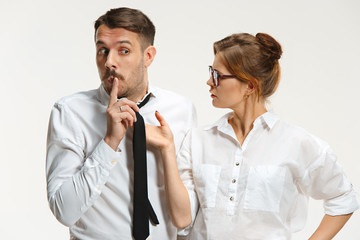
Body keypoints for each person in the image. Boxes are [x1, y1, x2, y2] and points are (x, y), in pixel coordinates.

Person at [146, 32, 359, 239]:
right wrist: (167, 148)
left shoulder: (296, 143)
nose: (209, 82)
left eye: (217, 75)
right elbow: (182, 220)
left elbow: (343, 197)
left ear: (249, 85)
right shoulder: (197, 140)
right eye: (211, 72)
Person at [46, 7, 196, 240]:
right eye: (102, 50)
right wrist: (109, 142)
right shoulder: (70, 112)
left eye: (123, 50)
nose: (109, 62)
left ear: (148, 56)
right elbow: (64, 211)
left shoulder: (181, 110)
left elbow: (186, 220)